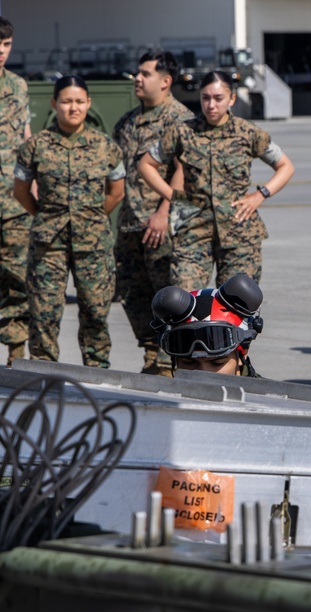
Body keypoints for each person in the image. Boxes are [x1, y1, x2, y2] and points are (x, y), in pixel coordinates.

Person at [138, 71, 294, 290]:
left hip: (239, 232)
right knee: (186, 297)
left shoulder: (248, 133)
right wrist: (172, 196)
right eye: (206, 98)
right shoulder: (182, 132)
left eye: (218, 98)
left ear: (232, 99)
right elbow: (146, 164)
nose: (211, 105)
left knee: (237, 300)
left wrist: (260, 195)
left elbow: (285, 167)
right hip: (193, 230)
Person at [13, 75, 125, 367]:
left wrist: (93, 217)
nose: (73, 108)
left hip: (93, 243)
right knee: (44, 314)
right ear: (54, 104)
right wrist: (44, 216)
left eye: (79, 101)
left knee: (95, 312)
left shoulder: (105, 146)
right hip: (48, 245)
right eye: (66, 102)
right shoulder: (35, 146)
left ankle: (97, 373)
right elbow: (20, 191)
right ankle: (43, 374)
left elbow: (116, 191)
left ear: (88, 103)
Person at [113, 50, 194, 377]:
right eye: (138, 72)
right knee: (133, 294)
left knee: (168, 295)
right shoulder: (127, 121)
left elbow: (184, 171)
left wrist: (164, 212)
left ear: (165, 81)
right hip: (130, 224)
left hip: (163, 224)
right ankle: (151, 354)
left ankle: (167, 361)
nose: (137, 78)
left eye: (145, 74)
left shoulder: (181, 119)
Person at [151, 272, 264, 377]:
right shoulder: (158, 392)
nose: (203, 374)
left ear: (243, 354)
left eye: (217, 363)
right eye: (189, 363)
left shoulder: (267, 392)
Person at [0, 16, 31, 366]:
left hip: (12, 201)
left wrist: (32, 180)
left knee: (16, 278)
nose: (1, 51)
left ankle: (15, 353)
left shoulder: (18, 86)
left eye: (6, 44)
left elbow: (25, 135)